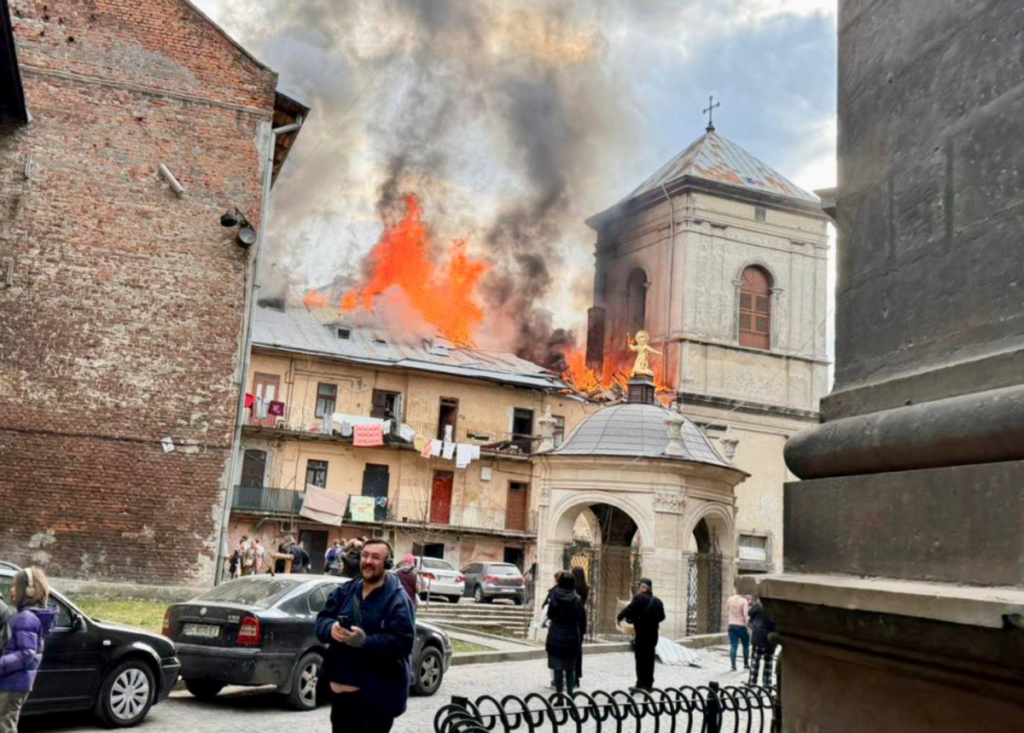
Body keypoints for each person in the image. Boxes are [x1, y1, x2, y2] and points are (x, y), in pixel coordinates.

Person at [315, 539, 415, 733]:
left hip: (374, 704)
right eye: (365, 555)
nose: (368, 561)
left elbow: (403, 642)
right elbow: (322, 619)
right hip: (341, 704)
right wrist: (330, 628)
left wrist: (365, 642)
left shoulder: (397, 599)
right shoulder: (346, 590)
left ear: (387, 563)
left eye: (375, 557)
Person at [0, 568, 57, 733]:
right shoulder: (28, 616)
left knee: (5, 726)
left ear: (29, 590)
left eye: (15, 586)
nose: (12, 590)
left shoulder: (25, 618)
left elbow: (26, 653)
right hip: (15, 682)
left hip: (12, 683)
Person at [616, 578, 665, 692]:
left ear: (644, 588)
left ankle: (640, 683)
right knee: (650, 658)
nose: (638, 589)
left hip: (642, 634)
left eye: (639, 587)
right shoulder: (658, 601)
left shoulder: (639, 598)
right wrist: (652, 621)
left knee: (640, 658)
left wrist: (620, 617)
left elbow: (629, 609)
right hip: (653, 635)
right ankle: (649, 684)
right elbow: (662, 617)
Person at [545, 572, 584, 696]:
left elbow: (550, 614)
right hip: (571, 635)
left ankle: (559, 695)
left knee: (557, 668)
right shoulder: (577, 599)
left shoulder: (554, 596)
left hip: (556, 635)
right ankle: (570, 695)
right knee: (570, 668)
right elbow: (579, 616)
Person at [747, 600, 777, 687]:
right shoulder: (775, 607)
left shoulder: (759, 605)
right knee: (769, 661)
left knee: (755, 660)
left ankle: (752, 681)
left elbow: (750, 612)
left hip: (759, 637)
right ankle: (767, 682)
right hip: (771, 637)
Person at [569, 566, 589, 686]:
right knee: (578, 649)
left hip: (573, 615)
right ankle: (577, 677)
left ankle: (570, 675)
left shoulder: (572, 587)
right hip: (582, 617)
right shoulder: (586, 587)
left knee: (570, 649)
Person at [726, 591, 751, 672]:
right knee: (746, 645)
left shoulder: (730, 599)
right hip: (741, 626)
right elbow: (746, 615)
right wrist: (748, 626)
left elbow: (728, 609)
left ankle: (733, 665)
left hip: (731, 625)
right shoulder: (744, 601)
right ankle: (746, 664)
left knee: (733, 645)